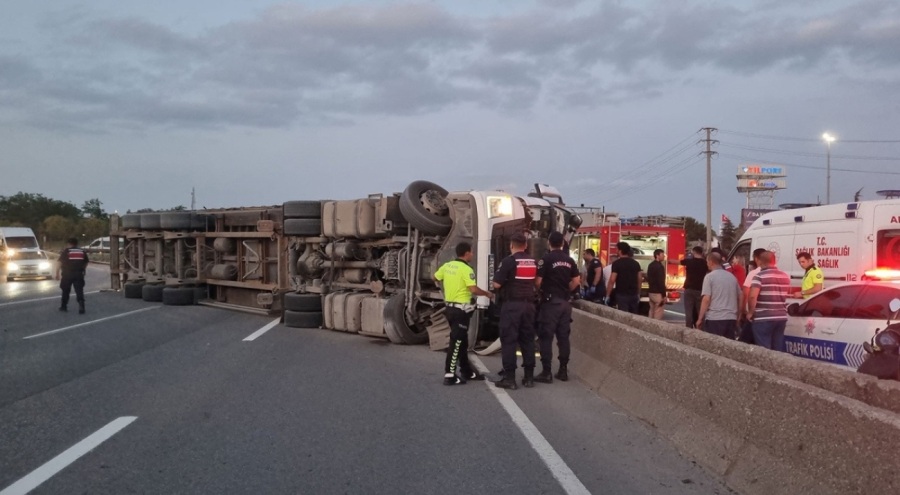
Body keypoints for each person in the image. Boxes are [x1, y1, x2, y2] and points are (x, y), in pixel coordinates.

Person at [434, 242, 495, 386]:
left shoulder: (447, 266)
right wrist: (487, 294)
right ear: (466, 253)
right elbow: (473, 289)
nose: (472, 254)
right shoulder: (466, 269)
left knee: (462, 341)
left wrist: (447, 290)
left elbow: (435, 278)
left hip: (450, 309)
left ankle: (467, 371)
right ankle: (449, 374)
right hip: (461, 311)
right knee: (456, 342)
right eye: (472, 252)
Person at [492, 232, 538, 390]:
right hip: (529, 306)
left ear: (511, 245)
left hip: (512, 306)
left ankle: (509, 378)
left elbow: (497, 284)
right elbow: (537, 282)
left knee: (509, 340)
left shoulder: (509, 261)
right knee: (528, 340)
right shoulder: (533, 261)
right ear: (525, 246)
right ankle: (529, 377)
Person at [535, 231, 581, 383]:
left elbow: (538, 281)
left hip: (550, 304)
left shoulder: (546, 259)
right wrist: (566, 289)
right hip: (565, 304)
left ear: (549, 243)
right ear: (562, 243)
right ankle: (563, 371)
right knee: (563, 338)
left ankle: (546, 372)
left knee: (546, 338)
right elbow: (576, 281)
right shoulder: (570, 260)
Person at [747, 251, 791, 350]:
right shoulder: (785, 276)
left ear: (760, 262)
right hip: (781, 317)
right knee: (777, 349)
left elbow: (753, 296)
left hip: (763, 318)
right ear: (774, 261)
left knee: (764, 351)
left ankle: (764, 366)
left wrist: (750, 312)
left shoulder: (759, 276)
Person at [696, 253, 742, 339]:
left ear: (711, 262)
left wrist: (700, 318)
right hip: (731, 318)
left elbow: (706, 299)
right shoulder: (731, 277)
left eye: (707, 262)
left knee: (714, 347)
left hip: (715, 318)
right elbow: (740, 296)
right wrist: (738, 314)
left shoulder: (709, 277)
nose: (707, 264)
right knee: (728, 348)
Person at [738, 248, 767, 344]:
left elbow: (746, 293)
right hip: (771, 315)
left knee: (744, 342)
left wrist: (743, 311)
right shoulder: (776, 272)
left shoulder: (753, 273)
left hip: (754, 314)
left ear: (756, 258)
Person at [605, 242, 643, 314]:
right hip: (633, 294)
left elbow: (612, 280)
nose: (616, 251)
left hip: (621, 294)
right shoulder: (635, 263)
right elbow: (639, 279)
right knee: (634, 315)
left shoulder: (616, 264)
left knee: (623, 315)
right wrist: (638, 293)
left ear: (620, 251)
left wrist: (608, 295)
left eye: (617, 249)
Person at [56, 237, 89, 314]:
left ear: (69, 244)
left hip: (67, 274)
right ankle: (81, 305)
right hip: (78, 274)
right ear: (77, 243)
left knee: (65, 290)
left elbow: (59, 262)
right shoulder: (82, 251)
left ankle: (64, 306)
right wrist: (82, 269)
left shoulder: (66, 251)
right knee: (79, 290)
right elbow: (86, 262)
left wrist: (57, 273)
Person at [679, 246, 709, 328]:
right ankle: (700, 328)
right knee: (700, 311)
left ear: (694, 252)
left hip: (689, 289)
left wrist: (668, 260)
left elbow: (678, 262)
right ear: (701, 253)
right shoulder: (705, 263)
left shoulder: (689, 262)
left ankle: (688, 329)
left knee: (688, 311)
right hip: (700, 290)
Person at [646, 249, 667, 320]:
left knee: (651, 310)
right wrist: (664, 295)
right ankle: (655, 328)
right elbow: (661, 281)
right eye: (662, 255)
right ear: (657, 256)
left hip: (651, 291)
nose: (664, 256)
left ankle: (649, 326)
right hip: (658, 293)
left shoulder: (650, 265)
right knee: (658, 312)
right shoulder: (660, 267)